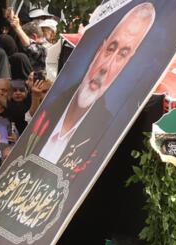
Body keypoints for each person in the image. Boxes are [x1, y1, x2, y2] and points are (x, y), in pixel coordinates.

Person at [33, 3, 155, 165]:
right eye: (111, 49)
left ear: (127, 64)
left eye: (122, 55)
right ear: (99, 49)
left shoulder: (109, 134)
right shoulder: (51, 107)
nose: (106, 67)